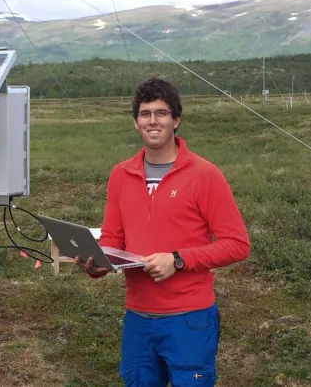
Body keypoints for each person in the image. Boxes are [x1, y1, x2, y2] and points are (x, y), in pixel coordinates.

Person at [74, 77, 250, 387]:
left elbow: (237, 244)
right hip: (138, 318)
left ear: (176, 120)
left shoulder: (205, 175)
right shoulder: (120, 175)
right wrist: (98, 263)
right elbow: (113, 238)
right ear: (135, 122)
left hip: (189, 317)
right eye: (145, 113)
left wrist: (178, 259)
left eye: (161, 113)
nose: (152, 121)